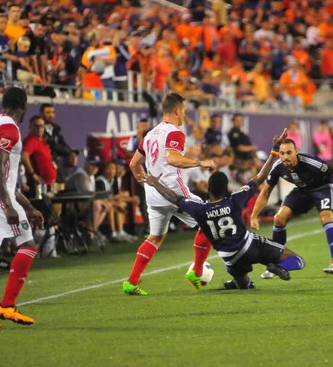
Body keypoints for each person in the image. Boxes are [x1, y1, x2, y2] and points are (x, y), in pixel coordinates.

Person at [146, 128, 306, 290]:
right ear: (226, 188)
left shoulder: (199, 209)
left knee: (244, 285)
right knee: (298, 261)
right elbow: (259, 178)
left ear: (208, 188)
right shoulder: (234, 200)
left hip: (230, 258)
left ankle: (240, 282)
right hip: (250, 246)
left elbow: (173, 197)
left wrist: (154, 182)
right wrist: (274, 151)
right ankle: (279, 267)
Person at [124, 92, 216, 295]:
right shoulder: (175, 132)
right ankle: (197, 271)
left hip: (153, 193)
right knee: (210, 219)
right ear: (177, 110)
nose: (184, 115)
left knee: (155, 237)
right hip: (173, 191)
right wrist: (201, 162)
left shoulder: (150, 134)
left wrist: (143, 180)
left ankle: (131, 282)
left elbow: (134, 164)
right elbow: (173, 159)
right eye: (184, 110)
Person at [0, 87, 45, 329]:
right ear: (23, 106)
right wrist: (8, 206)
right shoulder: (9, 127)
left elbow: (2, 174)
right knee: (27, 245)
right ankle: (7, 306)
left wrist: (26, 206)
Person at [250, 139, 333, 277]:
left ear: (296, 152)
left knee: (326, 218)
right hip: (302, 191)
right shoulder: (278, 167)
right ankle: (276, 264)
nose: (285, 157)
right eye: (282, 153)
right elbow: (265, 192)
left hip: (324, 188)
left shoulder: (312, 163)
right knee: (278, 219)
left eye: (289, 152)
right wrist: (254, 216)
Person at [21, 116, 57, 195]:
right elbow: (24, 156)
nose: (39, 128)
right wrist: (33, 174)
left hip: (48, 185)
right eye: (36, 126)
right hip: (37, 186)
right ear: (31, 127)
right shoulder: (30, 141)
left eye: (42, 126)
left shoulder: (42, 141)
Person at [40, 104, 72, 185]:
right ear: (41, 114)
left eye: (53, 112)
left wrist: (55, 146)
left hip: (60, 169)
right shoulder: (39, 131)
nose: (51, 115)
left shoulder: (56, 130)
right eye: (48, 112)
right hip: (46, 171)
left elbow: (67, 149)